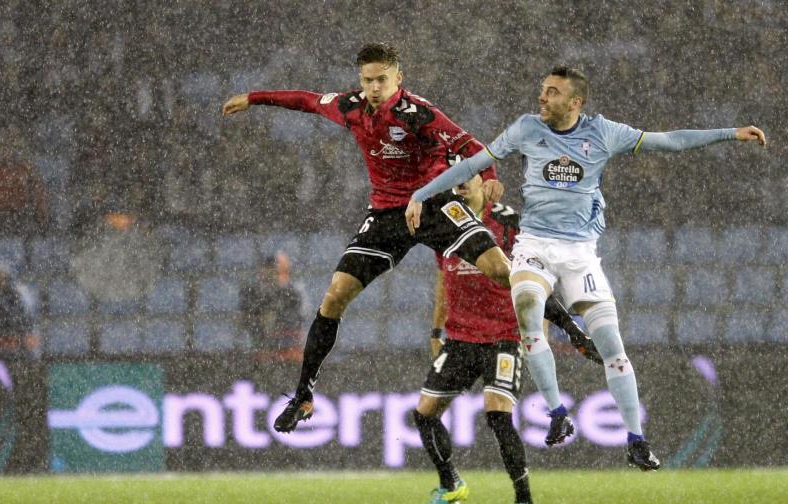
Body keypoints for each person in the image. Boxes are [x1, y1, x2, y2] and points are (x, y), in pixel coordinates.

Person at [406, 65, 767, 471]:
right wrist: (421, 192)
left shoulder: (603, 133)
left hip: (580, 252)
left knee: (612, 345)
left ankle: (636, 440)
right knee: (526, 302)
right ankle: (558, 412)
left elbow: (670, 142)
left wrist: (730, 133)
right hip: (536, 245)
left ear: (575, 102)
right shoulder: (526, 128)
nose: (542, 98)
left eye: (552, 92)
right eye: (543, 90)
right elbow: (471, 164)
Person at [223, 43, 581, 434]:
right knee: (334, 296)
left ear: (398, 78)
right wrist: (255, 98)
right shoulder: (351, 107)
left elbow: (469, 144)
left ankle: (575, 332)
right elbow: (306, 101)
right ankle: (304, 396)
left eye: (381, 79)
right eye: (367, 80)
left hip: (435, 204)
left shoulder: (418, 113)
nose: (374, 87)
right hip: (387, 215)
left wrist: (491, 179)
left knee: (499, 270)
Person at [416, 167, 598, 504]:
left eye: (464, 185)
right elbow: (443, 279)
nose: (458, 192)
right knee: (424, 414)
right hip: (460, 337)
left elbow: (536, 275)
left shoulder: (511, 223)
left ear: (484, 187)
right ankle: (451, 483)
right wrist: (436, 329)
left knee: (497, 414)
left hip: (504, 334)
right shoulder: (445, 222)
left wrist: (538, 332)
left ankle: (523, 497)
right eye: (453, 188)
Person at [240, 251, 309, 363]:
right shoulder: (253, 293)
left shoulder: (293, 292)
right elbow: (247, 320)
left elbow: (298, 318)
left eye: (274, 271)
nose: (269, 274)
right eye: (267, 269)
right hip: (263, 354)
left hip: (289, 354)